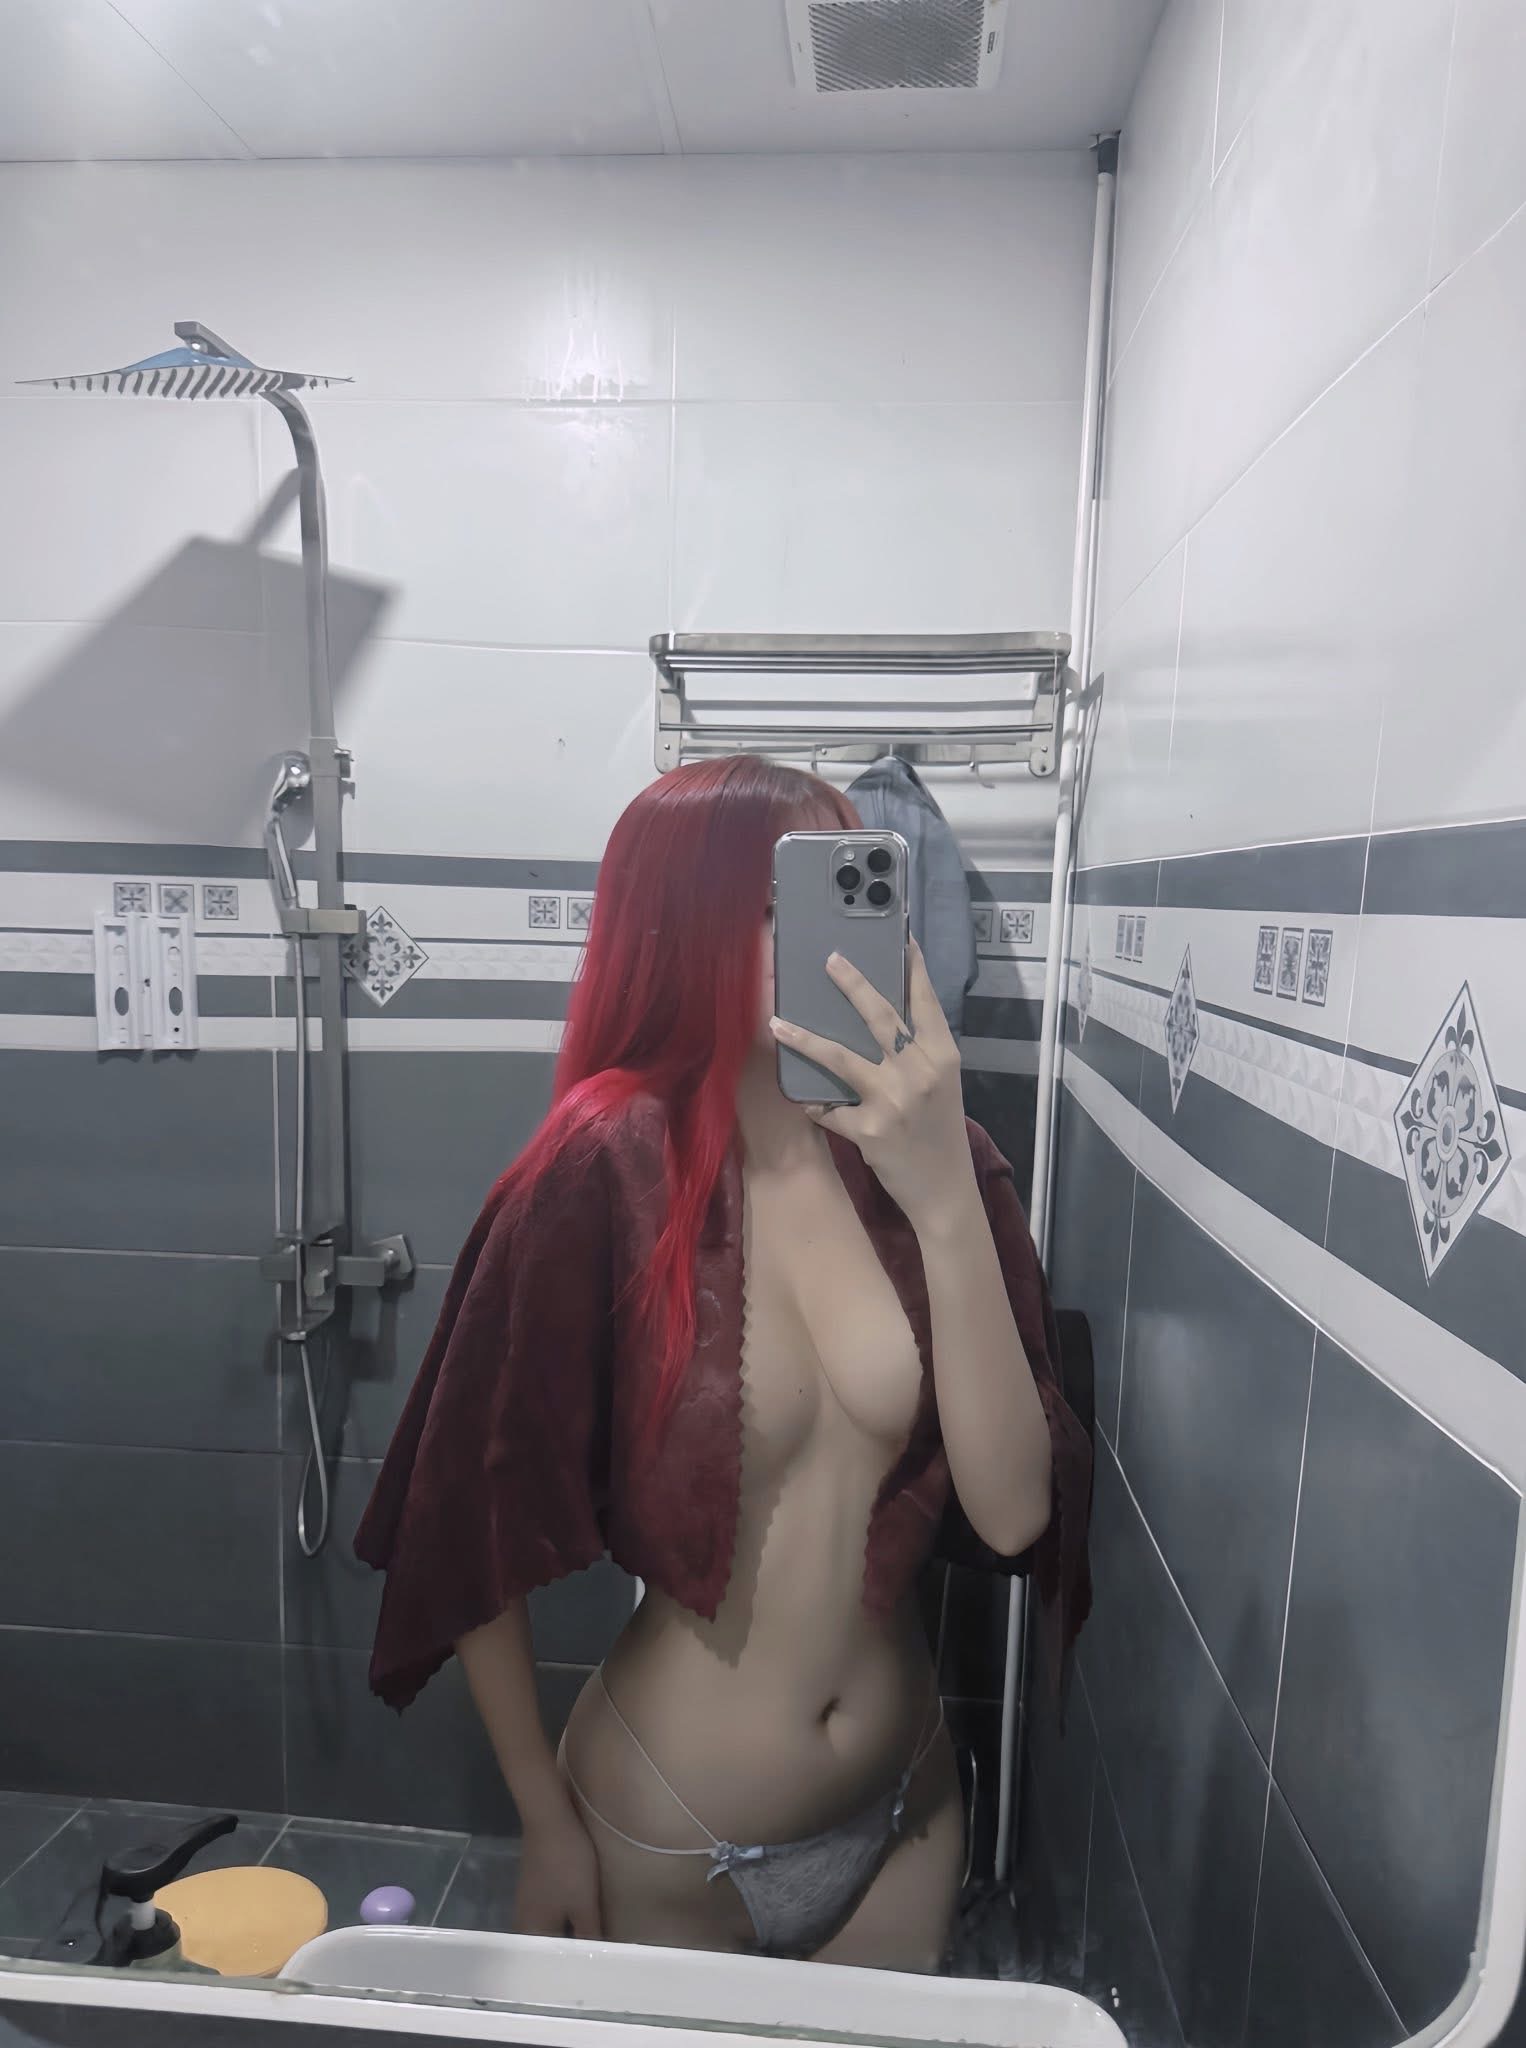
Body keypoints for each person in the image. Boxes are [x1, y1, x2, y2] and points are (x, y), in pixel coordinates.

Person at [356, 756, 1090, 1969]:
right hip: (667, 1841)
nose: (823, 940)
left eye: (847, 889)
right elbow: (467, 1507)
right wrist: (542, 1815)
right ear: (678, 927)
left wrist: (945, 1196)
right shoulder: (601, 1165)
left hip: (904, 1812)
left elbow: (1013, 1512)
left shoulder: (934, 1162)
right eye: (771, 905)